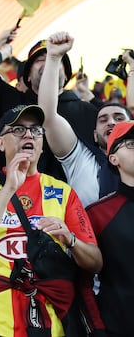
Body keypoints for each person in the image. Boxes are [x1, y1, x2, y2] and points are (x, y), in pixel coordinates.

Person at [0, 105, 102, 337]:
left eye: (36, 131)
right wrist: (9, 188)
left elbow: (95, 262)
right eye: (18, 129)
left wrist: (71, 239)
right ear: (1, 142)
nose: (28, 135)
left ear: (42, 143)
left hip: (52, 321)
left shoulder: (63, 191)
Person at [0, 0, 99, 183]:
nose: (47, 64)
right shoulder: (7, 100)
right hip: (11, 204)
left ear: (66, 72)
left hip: (68, 210)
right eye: (39, 60)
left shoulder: (89, 113)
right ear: (27, 73)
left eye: (55, 59)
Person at [37, 31, 129, 206]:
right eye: (103, 120)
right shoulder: (79, 158)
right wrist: (54, 57)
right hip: (83, 233)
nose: (111, 122)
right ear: (94, 135)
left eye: (119, 118)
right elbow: (47, 115)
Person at [83, 120, 134, 337]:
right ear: (113, 159)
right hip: (118, 328)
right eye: (131, 143)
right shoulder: (97, 214)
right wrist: (97, 329)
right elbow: (82, 283)